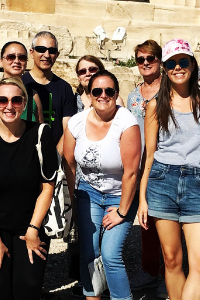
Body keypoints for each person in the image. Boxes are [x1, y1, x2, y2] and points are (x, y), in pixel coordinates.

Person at [137, 39, 200, 300]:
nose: (178, 67)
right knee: (172, 260)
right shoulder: (155, 105)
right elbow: (149, 155)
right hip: (162, 181)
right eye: (172, 63)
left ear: (192, 63)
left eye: (183, 61)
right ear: (164, 68)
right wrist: (142, 198)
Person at [0, 77, 57, 300]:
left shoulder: (41, 134)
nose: (9, 106)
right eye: (3, 100)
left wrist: (33, 230)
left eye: (16, 100)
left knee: (28, 287)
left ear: (24, 104)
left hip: (31, 221)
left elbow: (47, 189)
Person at [64, 70, 141, 300]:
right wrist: (73, 202)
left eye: (110, 91)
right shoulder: (77, 122)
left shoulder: (126, 121)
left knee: (110, 253)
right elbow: (69, 164)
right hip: (88, 193)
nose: (103, 95)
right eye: (97, 91)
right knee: (89, 251)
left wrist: (122, 211)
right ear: (89, 94)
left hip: (121, 194)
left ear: (116, 93)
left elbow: (131, 172)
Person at [125, 39, 166, 298]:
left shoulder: (171, 90)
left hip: (162, 163)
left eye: (151, 58)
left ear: (160, 61)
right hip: (136, 164)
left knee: (165, 221)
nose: (146, 63)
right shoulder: (133, 94)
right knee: (146, 221)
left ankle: (167, 273)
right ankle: (150, 270)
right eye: (141, 59)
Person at [23, 31, 78, 148]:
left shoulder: (64, 88)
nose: (47, 55)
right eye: (41, 49)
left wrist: (55, 157)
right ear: (32, 53)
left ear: (57, 55)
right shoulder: (21, 84)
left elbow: (67, 129)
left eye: (52, 51)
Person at [0, 41, 44, 130]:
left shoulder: (33, 95)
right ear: (1, 61)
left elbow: (40, 133)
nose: (16, 61)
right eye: (11, 57)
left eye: (22, 58)